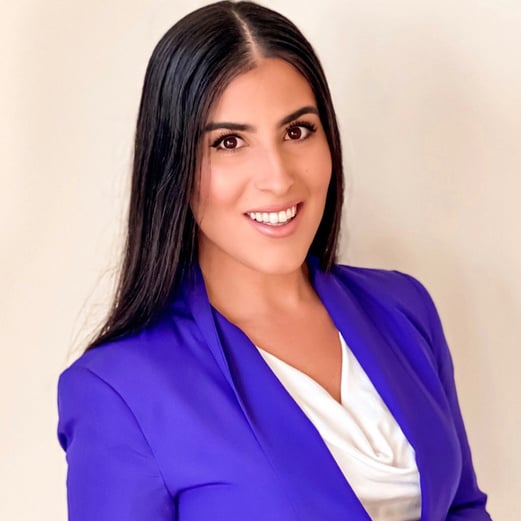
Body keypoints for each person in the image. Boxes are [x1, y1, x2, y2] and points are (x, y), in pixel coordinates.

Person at [56, 1, 492, 520]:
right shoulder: (118, 391)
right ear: (172, 167)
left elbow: (462, 507)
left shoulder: (403, 308)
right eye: (230, 142)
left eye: (297, 131)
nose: (278, 177)